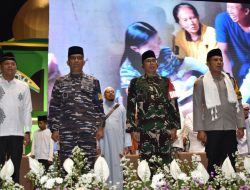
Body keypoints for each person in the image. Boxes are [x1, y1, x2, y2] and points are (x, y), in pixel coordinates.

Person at [119, 21, 208, 116]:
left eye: (158, 42)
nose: (157, 49)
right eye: (151, 48)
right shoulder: (128, 70)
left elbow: (180, 70)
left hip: (179, 96)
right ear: (135, 49)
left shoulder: (166, 53)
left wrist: (187, 76)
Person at [48, 46, 105, 169]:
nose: (76, 61)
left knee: (88, 167)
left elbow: (98, 106)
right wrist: (54, 129)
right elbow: (54, 107)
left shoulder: (93, 81)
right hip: (67, 132)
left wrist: (100, 127)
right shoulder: (60, 82)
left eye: (79, 58)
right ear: (68, 62)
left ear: (83, 62)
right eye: (73, 58)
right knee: (67, 167)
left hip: (88, 132)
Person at [193, 48, 245, 176]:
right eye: (215, 60)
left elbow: (237, 103)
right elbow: (197, 107)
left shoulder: (231, 80)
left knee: (231, 162)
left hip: (229, 127)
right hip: (212, 129)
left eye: (221, 59)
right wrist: (200, 129)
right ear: (208, 63)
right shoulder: (200, 82)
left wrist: (241, 125)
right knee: (213, 163)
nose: (219, 62)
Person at [126, 50, 181, 165]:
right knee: (146, 166)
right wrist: (132, 130)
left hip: (164, 130)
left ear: (157, 64)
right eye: (147, 61)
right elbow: (131, 107)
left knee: (165, 165)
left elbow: (173, 104)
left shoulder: (167, 82)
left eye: (153, 61)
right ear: (142, 65)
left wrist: (174, 127)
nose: (151, 63)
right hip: (144, 131)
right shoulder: (135, 83)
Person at [0, 52, 32, 183]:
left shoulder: (23, 86)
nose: (10, 66)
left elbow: (27, 109)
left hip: (17, 134)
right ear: (1, 67)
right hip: (0, 134)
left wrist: (28, 131)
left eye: (13, 64)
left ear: (16, 68)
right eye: (7, 64)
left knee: (15, 169)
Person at [215, 3, 250, 103]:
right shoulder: (222, 19)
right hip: (235, 69)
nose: (229, 11)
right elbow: (223, 52)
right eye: (228, 6)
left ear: (246, 11)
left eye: (233, 7)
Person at [98, 86, 131, 189]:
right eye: (108, 92)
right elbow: (97, 128)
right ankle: (106, 187)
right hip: (104, 142)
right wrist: (97, 144)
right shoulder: (99, 108)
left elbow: (125, 126)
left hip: (118, 142)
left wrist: (127, 144)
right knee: (105, 165)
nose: (111, 93)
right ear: (104, 95)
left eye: (112, 92)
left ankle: (118, 187)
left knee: (118, 165)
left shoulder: (121, 108)